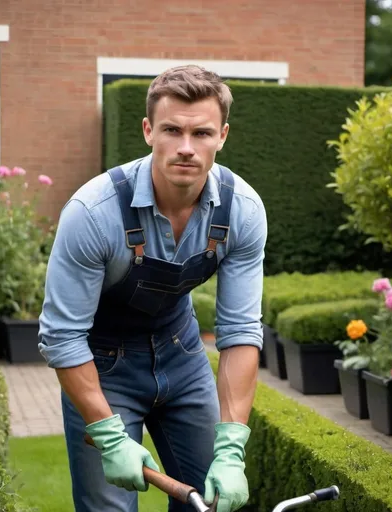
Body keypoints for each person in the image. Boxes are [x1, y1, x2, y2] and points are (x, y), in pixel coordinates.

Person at [38, 64, 267, 512]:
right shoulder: (93, 212)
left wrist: (233, 446)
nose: (186, 148)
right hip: (100, 365)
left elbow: (240, 330)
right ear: (148, 130)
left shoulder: (242, 210)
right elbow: (62, 337)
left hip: (181, 354)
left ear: (222, 135)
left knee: (211, 501)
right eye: (171, 130)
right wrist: (107, 433)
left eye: (201, 133)